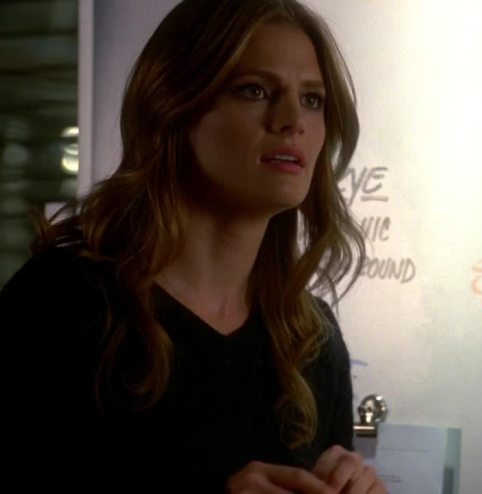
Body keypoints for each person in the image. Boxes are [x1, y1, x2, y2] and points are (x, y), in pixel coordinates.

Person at [0, 0, 386, 492]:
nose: (294, 120)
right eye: (255, 90)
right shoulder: (61, 302)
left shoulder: (311, 340)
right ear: (175, 107)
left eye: (312, 99)